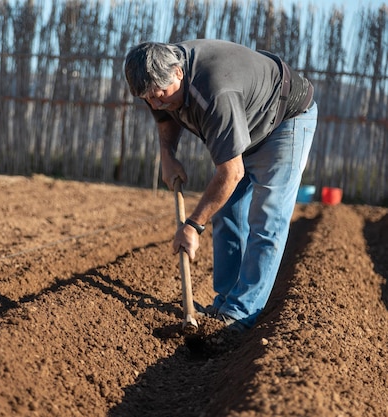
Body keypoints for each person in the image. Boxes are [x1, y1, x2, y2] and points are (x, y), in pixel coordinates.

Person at [124, 39, 317, 332]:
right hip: (245, 121)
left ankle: (241, 313)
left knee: (267, 218)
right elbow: (164, 115)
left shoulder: (214, 90)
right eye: (147, 98)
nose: (155, 103)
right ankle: (226, 300)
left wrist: (192, 225)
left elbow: (231, 173)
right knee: (227, 212)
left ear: (178, 72)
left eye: (160, 94)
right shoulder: (159, 77)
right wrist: (168, 156)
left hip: (284, 120)